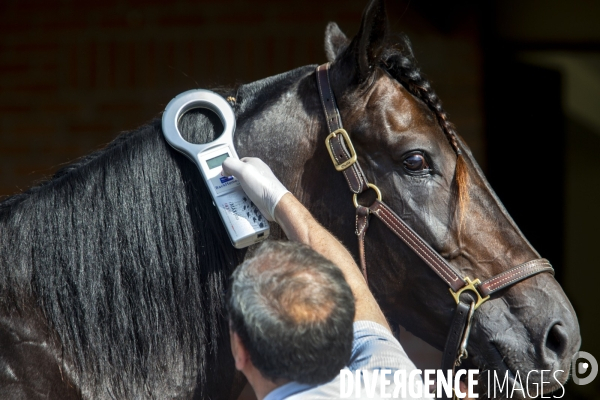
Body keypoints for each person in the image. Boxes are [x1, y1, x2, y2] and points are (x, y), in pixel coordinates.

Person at [223, 157, 429, 400]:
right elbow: (359, 302)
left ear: (240, 350)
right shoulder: (397, 386)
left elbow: (357, 303)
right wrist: (278, 199)